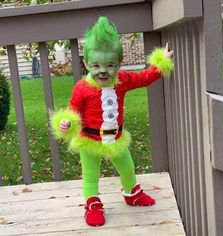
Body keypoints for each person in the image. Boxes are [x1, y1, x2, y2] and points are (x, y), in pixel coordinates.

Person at [50, 16, 173, 227]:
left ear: (119, 64)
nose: (103, 71)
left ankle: (131, 193)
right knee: (91, 175)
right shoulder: (82, 88)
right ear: (86, 63)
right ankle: (92, 203)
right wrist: (66, 123)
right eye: (96, 65)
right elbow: (73, 112)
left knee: (127, 168)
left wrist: (161, 61)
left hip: (116, 138)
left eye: (110, 65)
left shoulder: (123, 80)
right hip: (88, 140)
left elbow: (144, 77)